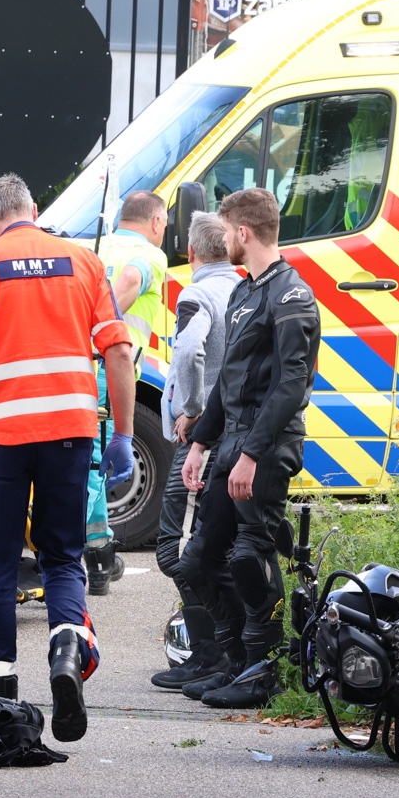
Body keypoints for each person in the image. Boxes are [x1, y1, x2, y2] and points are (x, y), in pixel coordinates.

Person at [0, 174, 136, 743]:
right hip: (70, 431)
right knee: (62, 556)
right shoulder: (83, 261)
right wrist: (122, 434)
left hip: (2, 435)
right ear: (34, 210)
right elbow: (118, 350)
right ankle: (68, 649)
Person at [173, 187, 319, 709]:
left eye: (227, 231)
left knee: (250, 557)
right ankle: (235, 663)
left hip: (268, 445)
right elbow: (227, 382)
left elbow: (292, 385)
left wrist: (253, 455)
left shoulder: (292, 295)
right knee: (198, 561)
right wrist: (200, 443)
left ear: (243, 232)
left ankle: (266, 670)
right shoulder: (243, 291)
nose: (224, 241)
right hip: (231, 441)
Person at [149, 211, 243, 691]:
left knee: (177, 550)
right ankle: (231, 649)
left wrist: (190, 408)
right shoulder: (246, 288)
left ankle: (212, 652)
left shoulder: (197, 294)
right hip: (239, 436)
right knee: (217, 546)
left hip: (202, 440)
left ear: (191, 253)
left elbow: (188, 351)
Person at [82, 189, 172, 595]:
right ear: (156, 221)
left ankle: (100, 554)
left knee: (92, 463)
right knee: (90, 466)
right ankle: (68, 556)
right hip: (106, 368)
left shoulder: (94, 248)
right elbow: (133, 279)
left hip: (78, 365)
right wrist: (100, 325)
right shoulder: (150, 255)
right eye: (165, 224)